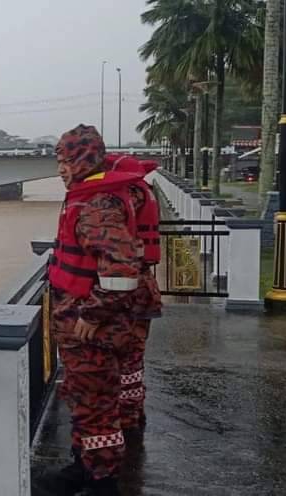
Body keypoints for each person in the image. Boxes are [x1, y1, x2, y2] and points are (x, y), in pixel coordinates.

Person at [35, 125, 144, 496]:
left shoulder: (95, 207)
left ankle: (101, 482)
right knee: (86, 403)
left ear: (81, 159)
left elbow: (122, 271)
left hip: (91, 332)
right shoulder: (94, 198)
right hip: (86, 328)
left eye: (65, 161)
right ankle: (85, 468)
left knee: (94, 407)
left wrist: (91, 315)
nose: (61, 169)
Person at [106, 153, 163, 433]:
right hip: (145, 283)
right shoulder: (146, 192)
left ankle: (125, 417)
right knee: (134, 355)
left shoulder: (128, 197)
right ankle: (134, 409)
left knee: (124, 355)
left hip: (131, 289)